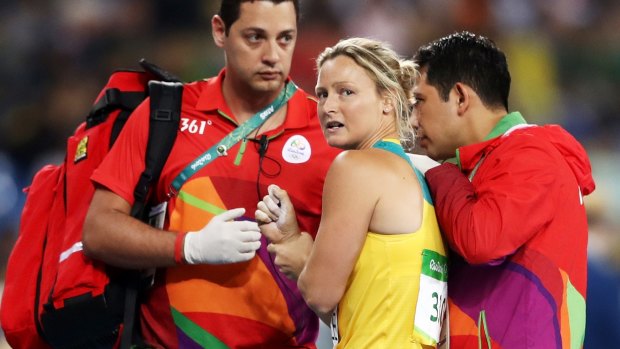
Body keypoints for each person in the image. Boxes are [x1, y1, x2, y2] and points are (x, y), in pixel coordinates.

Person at [83, 1, 341, 348]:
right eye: (255, 37)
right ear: (220, 31)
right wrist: (189, 246)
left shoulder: (328, 134)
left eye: (285, 39)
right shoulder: (164, 114)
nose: (272, 55)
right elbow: (99, 231)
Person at [256, 37, 448, 348]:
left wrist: (298, 249)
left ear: (387, 100)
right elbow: (358, 314)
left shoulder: (355, 167)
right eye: (322, 94)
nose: (328, 106)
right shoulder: (421, 174)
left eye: (346, 92)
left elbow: (320, 294)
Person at [410, 31, 596, 348]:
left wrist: (438, 173)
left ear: (459, 97)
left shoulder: (531, 154)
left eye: (420, 101)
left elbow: (482, 240)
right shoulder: (491, 162)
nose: (413, 120)